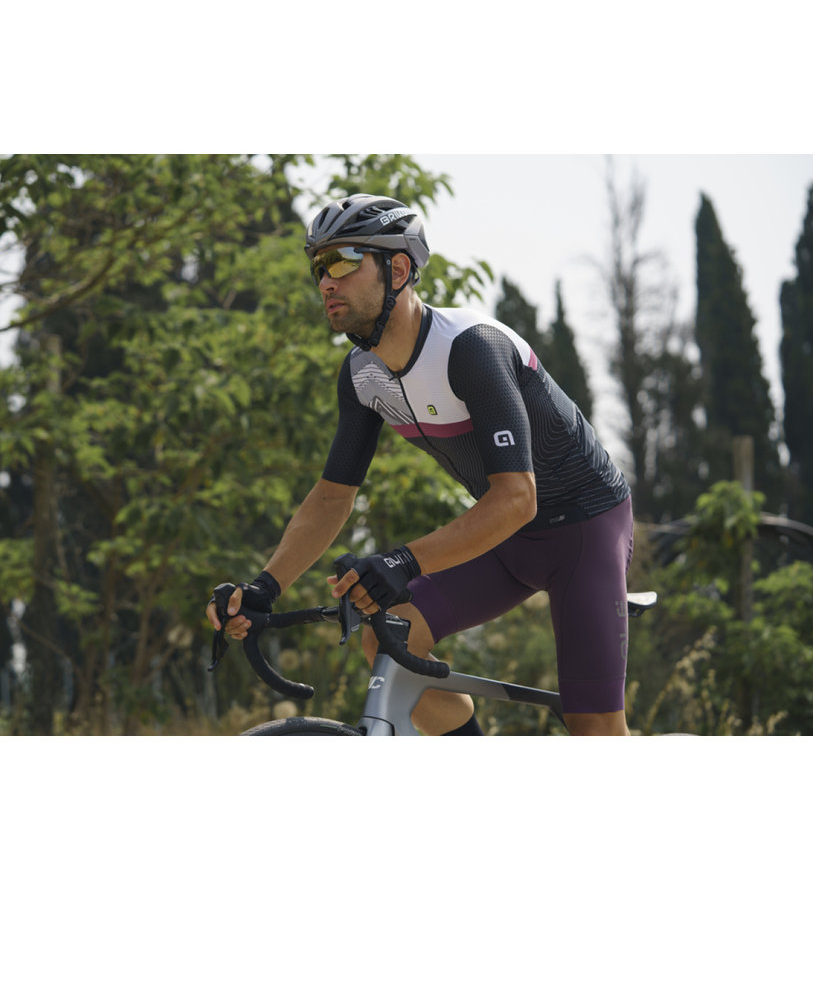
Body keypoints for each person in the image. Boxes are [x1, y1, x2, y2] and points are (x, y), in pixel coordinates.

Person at [206, 194, 634, 736]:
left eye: (342, 261)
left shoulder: (471, 348)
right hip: (505, 540)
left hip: (584, 533)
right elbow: (333, 495)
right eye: (318, 267)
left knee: (594, 728)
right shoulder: (362, 376)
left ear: (399, 269)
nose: (326, 281)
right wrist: (265, 587)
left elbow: (517, 496)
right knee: (390, 640)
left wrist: (403, 561)